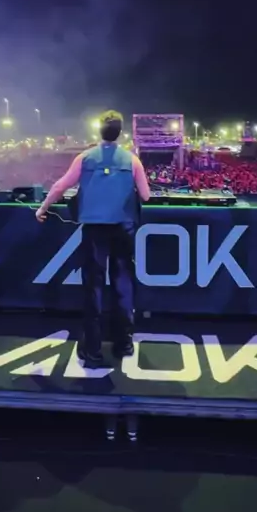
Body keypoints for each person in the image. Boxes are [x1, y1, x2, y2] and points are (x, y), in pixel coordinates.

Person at [36, 110, 150, 367]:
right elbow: (146, 196)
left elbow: (60, 186)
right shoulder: (132, 160)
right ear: (120, 133)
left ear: (100, 131)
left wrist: (43, 208)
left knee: (93, 288)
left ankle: (93, 351)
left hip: (94, 230)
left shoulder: (85, 158)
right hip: (123, 228)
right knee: (123, 285)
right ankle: (124, 343)